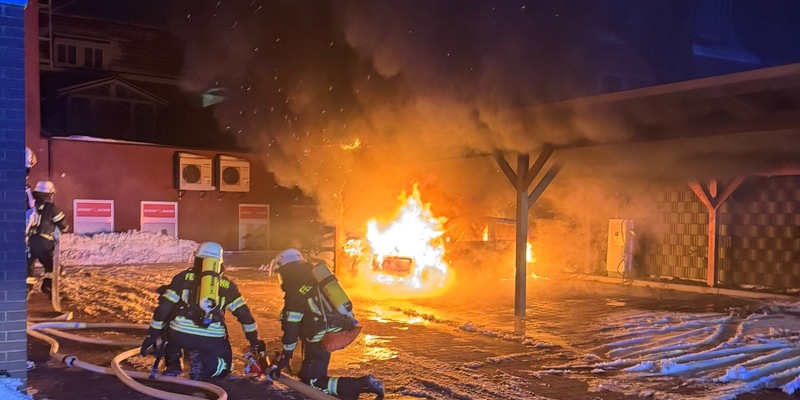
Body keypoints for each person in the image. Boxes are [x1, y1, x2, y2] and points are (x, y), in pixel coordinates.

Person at [140, 242, 264, 381]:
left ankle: (173, 363)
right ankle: (204, 362)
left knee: (168, 331)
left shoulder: (182, 278)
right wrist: (254, 341)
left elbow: (163, 309)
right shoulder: (227, 285)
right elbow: (245, 316)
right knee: (224, 368)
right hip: (212, 337)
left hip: (180, 334)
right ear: (219, 262)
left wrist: (152, 335)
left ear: (197, 258)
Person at [270, 248, 384, 400]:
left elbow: (291, 326)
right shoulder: (314, 277)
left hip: (320, 335)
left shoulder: (294, 289)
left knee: (312, 380)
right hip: (333, 327)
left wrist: (286, 355)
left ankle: (364, 384)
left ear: (285, 268)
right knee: (307, 374)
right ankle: (349, 393)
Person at [26, 180, 69, 296]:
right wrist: (64, 229)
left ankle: (25, 291)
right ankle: (47, 287)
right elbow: (63, 225)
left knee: (28, 268)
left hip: (28, 241)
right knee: (51, 267)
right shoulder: (51, 207)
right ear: (49, 193)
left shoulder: (29, 205)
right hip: (43, 242)